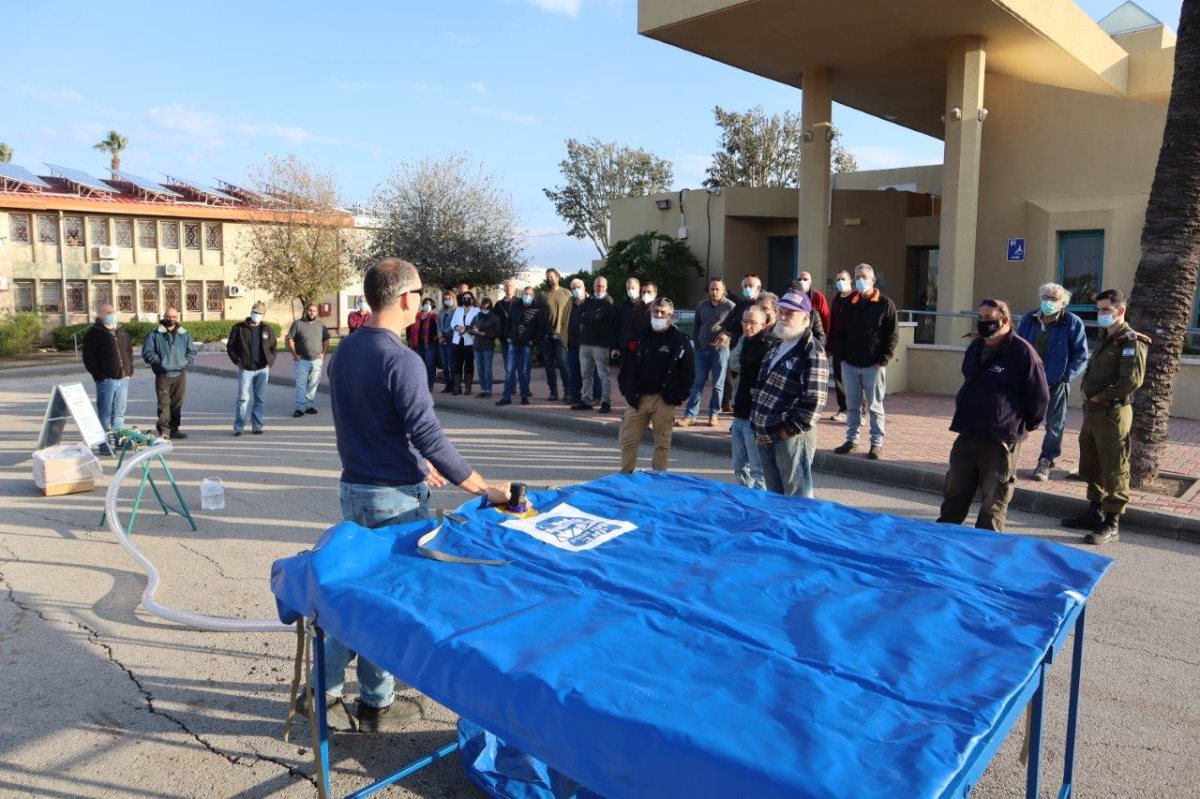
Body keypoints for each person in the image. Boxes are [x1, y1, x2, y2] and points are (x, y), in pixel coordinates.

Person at [325, 257, 508, 732]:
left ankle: (359, 697)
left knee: (364, 594)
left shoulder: (345, 350)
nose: (422, 302)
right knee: (382, 601)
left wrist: (415, 462)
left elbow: (374, 422)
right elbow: (428, 433)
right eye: (420, 294)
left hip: (357, 487)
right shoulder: (401, 359)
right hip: (391, 498)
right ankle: (346, 698)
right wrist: (484, 487)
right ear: (406, 299)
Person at [937, 299, 1049, 532]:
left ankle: (986, 546)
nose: (982, 323)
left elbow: (1039, 396)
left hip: (1000, 438)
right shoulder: (976, 347)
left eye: (988, 319)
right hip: (968, 431)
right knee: (955, 491)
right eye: (980, 318)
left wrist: (1023, 424)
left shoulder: (1022, 352)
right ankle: (945, 537)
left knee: (994, 499)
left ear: (1004, 320)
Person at [1061, 289, 1149, 545]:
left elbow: (1131, 380)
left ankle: (1112, 521)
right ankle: (1095, 511)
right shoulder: (1107, 337)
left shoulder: (1131, 340)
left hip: (1112, 412)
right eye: (1099, 310)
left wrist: (1101, 396)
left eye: (1106, 310)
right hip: (1093, 412)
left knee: (1114, 466)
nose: (1101, 314)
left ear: (1120, 310)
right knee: (1091, 462)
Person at [751, 291, 829, 498]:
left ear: (805, 318)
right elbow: (762, 383)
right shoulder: (777, 344)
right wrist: (756, 420)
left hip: (789, 437)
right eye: (781, 312)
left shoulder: (812, 351)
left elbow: (815, 400)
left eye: (790, 314)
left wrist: (788, 430)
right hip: (765, 432)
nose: (783, 317)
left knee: (797, 497)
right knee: (774, 496)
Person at [1016, 283, 1089, 481]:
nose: (1048, 302)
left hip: (1056, 382)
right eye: (1045, 297)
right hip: (1028, 380)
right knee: (1015, 418)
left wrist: (1064, 377)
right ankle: (1009, 456)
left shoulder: (1072, 322)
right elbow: (1017, 346)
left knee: (1055, 425)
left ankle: (1046, 461)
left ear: (1063, 303)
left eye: (1054, 299)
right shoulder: (1029, 319)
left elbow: (1081, 356)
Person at [617, 298, 695, 472]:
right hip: (637, 398)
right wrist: (626, 389)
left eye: (663, 312)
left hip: (663, 400)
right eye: (655, 311)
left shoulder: (679, 340)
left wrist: (677, 396)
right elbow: (626, 365)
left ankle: (659, 480)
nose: (659, 315)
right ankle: (625, 477)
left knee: (662, 445)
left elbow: (688, 373)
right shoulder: (639, 336)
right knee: (627, 441)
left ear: (670, 316)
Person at [833, 263, 897, 459]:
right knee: (852, 406)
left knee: (875, 407)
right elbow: (841, 333)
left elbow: (892, 336)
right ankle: (852, 440)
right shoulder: (850, 304)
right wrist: (842, 359)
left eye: (864, 277)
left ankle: (876, 443)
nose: (860, 280)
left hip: (873, 367)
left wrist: (882, 361)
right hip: (850, 365)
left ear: (873, 280)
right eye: (857, 277)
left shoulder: (886, 304)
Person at [680, 278, 736, 427]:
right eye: (712, 289)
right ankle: (690, 416)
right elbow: (697, 325)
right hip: (702, 350)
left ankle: (713, 414)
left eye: (717, 289)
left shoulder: (730, 306)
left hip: (720, 351)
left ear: (723, 290)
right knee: (697, 383)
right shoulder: (702, 305)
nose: (714, 292)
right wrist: (697, 345)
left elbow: (736, 326)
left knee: (718, 384)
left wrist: (727, 334)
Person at [81, 301, 134, 454]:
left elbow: (128, 351)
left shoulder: (120, 331)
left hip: (123, 379)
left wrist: (129, 371)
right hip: (107, 381)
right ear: (99, 314)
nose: (112, 315)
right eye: (108, 312)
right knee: (105, 414)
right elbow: (89, 359)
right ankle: (104, 445)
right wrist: (101, 377)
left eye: (113, 312)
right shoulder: (94, 333)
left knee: (119, 414)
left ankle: (119, 439)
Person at [141, 306, 197, 441]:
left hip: (179, 374)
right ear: (164, 316)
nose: (171, 319)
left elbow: (192, 352)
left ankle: (174, 429)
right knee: (163, 404)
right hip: (163, 375)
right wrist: (159, 362)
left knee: (177, 403)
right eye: (168, 316)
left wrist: (184, 362)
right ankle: (164, 431)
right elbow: (147, 352)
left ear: (177, 318)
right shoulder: (154, 333)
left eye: (174, 316)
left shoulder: (184, 334)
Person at [730, 306, 769, 490]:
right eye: (745, 322)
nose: (748, 326)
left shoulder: (767, 346)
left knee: (757, 469)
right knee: (739, 466)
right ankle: (743, 497)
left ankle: (760, 500)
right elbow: (733, 364)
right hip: (739, 410)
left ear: (763, 325)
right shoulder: (744, 341)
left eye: (753, 322)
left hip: (754, 415)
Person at [227, 301, 277, 436]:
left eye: (260, 313)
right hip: (246, 369)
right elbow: (230, 347)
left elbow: (273, 347)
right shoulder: (239, 328)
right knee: (243, 399)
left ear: (263, 315)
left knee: (260, 399)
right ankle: (239, 427)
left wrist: (270, 361)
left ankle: (257, 425)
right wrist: (237, 361)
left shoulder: (266, 329)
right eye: (255, 312)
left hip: (262, 369)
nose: (257, 315)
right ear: (251, 312)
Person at [717, 274, 763, 412]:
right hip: (738, 350)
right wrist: (726, 332)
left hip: (756, 351)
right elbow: (729, 324)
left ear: (758, 288)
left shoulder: (763, 305)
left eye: (751, 286)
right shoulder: (740, 305)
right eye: (745, 286)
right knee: (738, 385)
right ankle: (737, 411)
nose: (747, 288)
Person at [497, 286, 546, 406]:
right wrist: (508, 336)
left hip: (527, 345)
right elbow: (509, 322)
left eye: (529, 294)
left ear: (533, 296)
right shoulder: (515, 306)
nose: (527, 296)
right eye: (525, 294)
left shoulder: (537, 310)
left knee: (524, 371)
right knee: (509, 371)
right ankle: (506, 397)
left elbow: (541, 329)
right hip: (514, 343)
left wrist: (533, 341)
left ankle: (524, 396)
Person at [575, 275, 616, 414]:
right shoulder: (588, 300)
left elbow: (598, 316)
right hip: (585, 343)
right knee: (585, 374)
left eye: (603, 286)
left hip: (601, 344)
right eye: (598, 286)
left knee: (603, 375)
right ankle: (586, 400)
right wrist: (590, 316)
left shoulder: (608, 302)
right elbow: (580, 316)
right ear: (593, 286)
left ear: (606, 287)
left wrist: (588, 315)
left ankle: (606, 402)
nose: (600, 288)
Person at [287, 303, 330, 418]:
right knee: (301, 385)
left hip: (317, 361)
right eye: (310, 310)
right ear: (306, 310)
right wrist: (295, 355)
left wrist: (323, 354)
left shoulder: (321, 325)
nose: (312, 313)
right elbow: (290, 339)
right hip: (302, 361)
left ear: (317, 312)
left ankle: (309, 406)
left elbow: (326, 340)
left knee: (313, 384)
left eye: (314, 311)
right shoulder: (298, 324)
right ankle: (299, 408)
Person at [826, 270, 854, 422]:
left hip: (852, 347)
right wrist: (829, 346)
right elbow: (833, 325)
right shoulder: (836, 300)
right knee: (839, 379)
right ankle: (843, 409)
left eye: (843, 279)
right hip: (838, 346)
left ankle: (859, 410)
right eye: (838, 279)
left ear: (850, 281)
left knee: (854, 380)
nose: (840, 282)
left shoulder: (856, 298)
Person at [541, 268, 573, 401]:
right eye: (547, 277)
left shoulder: (567, 293)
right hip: (547, 336)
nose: (549, 279)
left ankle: (568, 392)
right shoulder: (543, 295)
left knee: (563, 364)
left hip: (561, 335)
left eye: (551, 276)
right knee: (549, 366)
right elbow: (538, 315)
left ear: (557, 277)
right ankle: (553, 392)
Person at [470, 297, 503, 398]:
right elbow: (470, 328)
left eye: (486, 308)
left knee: (487, 369)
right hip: (477, 346)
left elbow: (497, 333)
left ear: (490, 308)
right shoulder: (477, 316)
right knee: (480, 368)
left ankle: (489, 390)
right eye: (482, 308)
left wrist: (485, 333)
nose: (484, 310)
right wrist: (474, 331)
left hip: (488, 346)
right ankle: (483, 389)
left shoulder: (495, 318)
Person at [449, 291, 479, 395]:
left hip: (470, 341)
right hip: (457, 340)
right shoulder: (458, 310)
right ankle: (457, 387)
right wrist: (457, 327)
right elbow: (452, 323)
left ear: (472, 299)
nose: (466, 300)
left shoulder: (477, 311)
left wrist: (467, 328)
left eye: (468, 298)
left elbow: (478, 324)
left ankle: (468, 387)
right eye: (464, 298)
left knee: (469, 364)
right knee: (457, 363)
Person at [406, 298, 440, 390]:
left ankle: (430, 384)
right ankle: (421, 384)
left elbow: (438, 329)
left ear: (432, 306)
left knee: (429, 364)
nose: (426, 305)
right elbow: (409, 328)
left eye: (429, 304)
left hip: (430, 344)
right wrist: (409, 339)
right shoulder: (416, 316)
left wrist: (435, 337)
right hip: (417, 344)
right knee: (420, 364)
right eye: (425, 303)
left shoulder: (434, 317)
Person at [616, 279, 656, 356]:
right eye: (628, 288)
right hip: (625, 348)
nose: (630, 290)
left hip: (643, 347)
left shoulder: (648, 306)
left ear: (639, 288)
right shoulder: (623, 307)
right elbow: (617, 327)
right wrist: (616, 346)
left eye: (633, 288)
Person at [565, 278, 588, 405]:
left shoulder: (590, 302)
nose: (576, 290)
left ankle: (591, 397)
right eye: (573, 288)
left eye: (578, 287)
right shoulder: (569, 303)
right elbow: (563, 321)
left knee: (588, 373)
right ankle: (575, 396)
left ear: (584, 288)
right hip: (572, 343)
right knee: (573, 371)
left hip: (587, 343)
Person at [793, 271, 831, 339]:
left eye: (805, 279)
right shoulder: (791, 296)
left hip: (813, 338)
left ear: (810, 282)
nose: (802, 281)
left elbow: (826, 319)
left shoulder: (819, 297)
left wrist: (822, 338)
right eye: (799, 279)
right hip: (794, 337)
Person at [494, 279, 518, 376]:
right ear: (503, 288)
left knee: (516, 363)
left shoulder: (519, 302)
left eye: (510, 285)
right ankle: (510, 383)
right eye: (506, 286)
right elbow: (493, 319)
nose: (508, 288)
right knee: (507, 363)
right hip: (504, 338)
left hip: (516, 338)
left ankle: (514, 382)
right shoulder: (498, 304)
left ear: (514, 288)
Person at [437, 290, 458, 393]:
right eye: (445, 299)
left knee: (451, 363)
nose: (447, 300)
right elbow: (438, 324)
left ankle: (454, 385)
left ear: (453, 299)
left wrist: (444, 333)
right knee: (444, 364)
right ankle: (447, 385)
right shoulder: (441, 311)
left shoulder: (456, 311)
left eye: (449, 298)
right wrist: (439, 333)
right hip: (441, 339)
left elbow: (454, 324)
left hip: (451, 338)